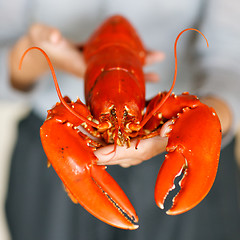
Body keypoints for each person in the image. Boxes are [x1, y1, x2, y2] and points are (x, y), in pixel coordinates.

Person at [0, 0, 240, 239]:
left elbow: (230, 61)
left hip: (186, 149)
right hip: (60, 157)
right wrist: (29, 58)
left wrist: (213, 117)